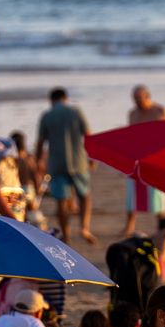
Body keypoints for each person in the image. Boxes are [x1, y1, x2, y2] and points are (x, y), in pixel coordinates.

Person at [35, 87, 94, 244]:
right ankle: (84, 227)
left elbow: (41, 142)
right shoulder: (76, 112)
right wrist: (92, 158)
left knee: (61, 200)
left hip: (57, 163)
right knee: (84, 196)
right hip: (78, 161)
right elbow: (88, 135)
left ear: (51, 100)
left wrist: (37, 161)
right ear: (65, 98)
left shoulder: (47, 116)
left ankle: (66, 236)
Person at [122, 86, 165, 238]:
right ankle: (129, 226)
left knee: (157, 195)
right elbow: (129, 136)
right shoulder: (132, 113)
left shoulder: (159, 111)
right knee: (132, 194)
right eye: (134, 98)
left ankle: (162, 225)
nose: (136, 102)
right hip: (137, 158)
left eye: (139, 98)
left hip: (155, 158)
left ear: (147, 97)